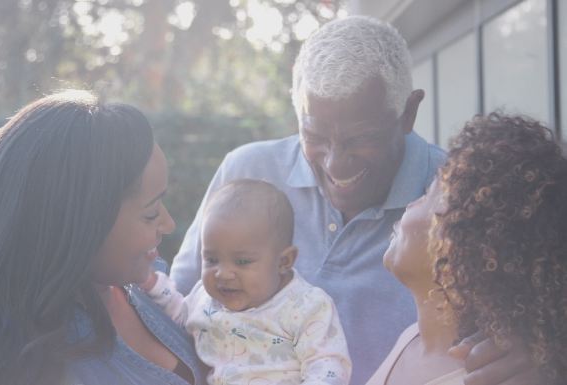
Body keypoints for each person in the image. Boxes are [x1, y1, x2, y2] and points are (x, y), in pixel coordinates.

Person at [169, 15, 542, 385]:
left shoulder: (457, 201)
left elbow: (542, 310)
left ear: (408, 112)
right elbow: (177, 304)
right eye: (315, 136)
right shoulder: (246, 172)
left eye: (360, 138)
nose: (335, 163)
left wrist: (546, 351)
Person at [0, 90, 207, 385]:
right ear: (80, 225)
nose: (168, 224)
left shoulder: (147, 288)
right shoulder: (31, 366)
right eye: (150, 213)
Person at [369, 113, 567, 384]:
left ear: (468, 245)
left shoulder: (487, 376)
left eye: (429, 194)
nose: (411, 204)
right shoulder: (411, 338)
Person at [143, 179, 351, 385]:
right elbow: (180, 320)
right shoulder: (205, 298)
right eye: (212, 260)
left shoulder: (307, 306)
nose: (223, 274)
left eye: (242, 262)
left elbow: (328, 365)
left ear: (284, 262)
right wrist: (155, 286)